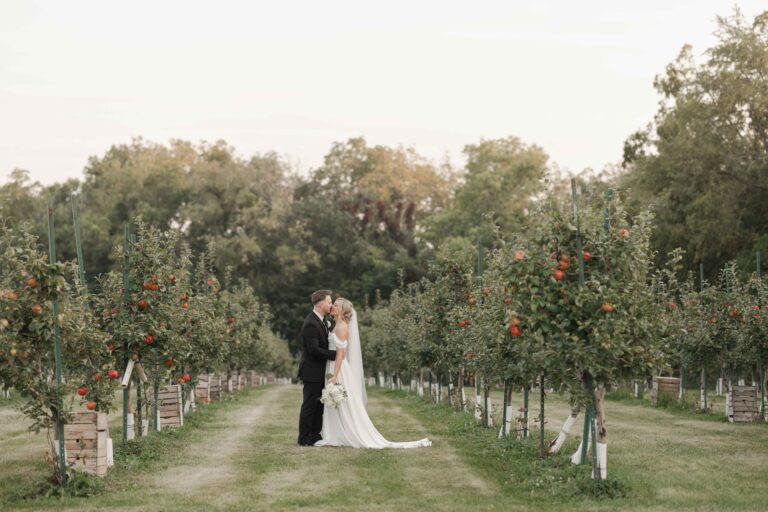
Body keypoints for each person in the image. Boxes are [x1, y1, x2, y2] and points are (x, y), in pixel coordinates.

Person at [315, 297, 431, 449]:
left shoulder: (342, 327)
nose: (332, 307)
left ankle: (345, 434)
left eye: (335, 305)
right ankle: (336, 434)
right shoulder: (336, 325)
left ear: (342, 310)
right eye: (333, 305)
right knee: (336, 402)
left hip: (338, 369)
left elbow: (340, 355)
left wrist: (335, 376)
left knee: (341, 401)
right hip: (332, 367)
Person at [297, 290, 337, 446]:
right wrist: (335, 355)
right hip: (312, 372)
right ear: (321, 305)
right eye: (329, 302)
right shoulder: (311, 323)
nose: (331, 304)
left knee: (319, 405)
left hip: (320, 371)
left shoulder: (321, 320)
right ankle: (304, 437)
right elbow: (314, 350)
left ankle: (315, 434)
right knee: (309, 405)